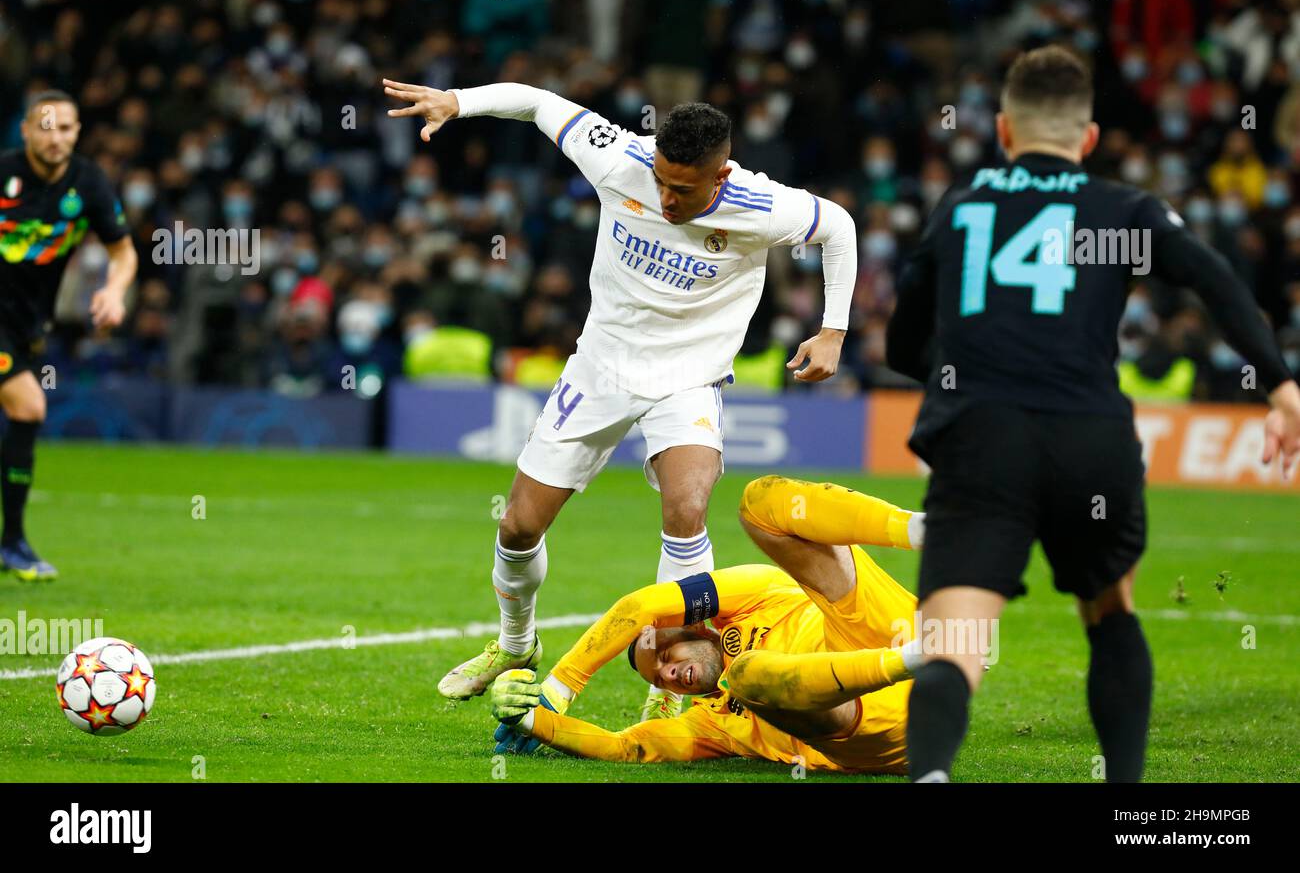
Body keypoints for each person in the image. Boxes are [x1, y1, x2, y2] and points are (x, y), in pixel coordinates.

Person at [382, 78, 858, 720]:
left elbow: (841, 228)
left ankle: (667, 684)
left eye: (683, 189)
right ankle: (515, 646)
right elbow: (538, 103)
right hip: (599, 367)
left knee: (686, 508)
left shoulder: (761, 206)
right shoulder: (619, 157)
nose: (664, 198)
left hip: (690, 376)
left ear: (720, 176)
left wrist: (833, 330)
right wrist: (458, 102)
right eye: (660, 181)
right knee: (519, 526)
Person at [886, 46, 1300, 783]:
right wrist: (1279, 384)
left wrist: (965, 379)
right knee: (1111, 612)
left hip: (981, 440)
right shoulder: (1118, 214)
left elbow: (900, 342)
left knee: (955, 643)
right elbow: (1213, 277)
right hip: (1091, 439)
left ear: (1005, 130)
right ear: (1087, 140)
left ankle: (932, 776)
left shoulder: (962, 205)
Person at [488, 475, 926, 774]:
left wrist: (560, 686)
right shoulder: (711, 724)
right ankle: (918, 659)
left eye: (664, 654)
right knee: (748, 675)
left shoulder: (754, 594)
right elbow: (625, 746)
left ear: (697, 628)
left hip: (879, 629)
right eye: (660, 678)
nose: (667, 673)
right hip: (875, 727)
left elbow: (643, 604)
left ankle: (922, 528)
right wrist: (530, 722)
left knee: (760, 501)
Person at [0, 89, 137, 580]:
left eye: (65, 129)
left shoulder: (90, 183)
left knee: (24, 411)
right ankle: (12, 542)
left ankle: (11, 542)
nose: (55, 137)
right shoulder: (5, 174)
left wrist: (115, 292)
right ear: (26, 130)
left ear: (77, 133)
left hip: (29, 325)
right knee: (29, 405)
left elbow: (123, 253)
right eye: (46, 126)